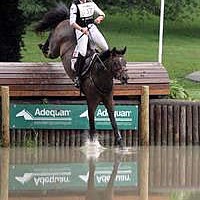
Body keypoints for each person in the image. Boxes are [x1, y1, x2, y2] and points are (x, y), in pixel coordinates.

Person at [70, 0, 109, 87]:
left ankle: (105, 71)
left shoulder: (91, 3)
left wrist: (100, 18)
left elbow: (102, 14)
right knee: (83, 52)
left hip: (92, 27)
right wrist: (81, 29)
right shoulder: (75, 5)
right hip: (81, 29)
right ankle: (78, 77)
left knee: (105, 48)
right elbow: (72, 23)